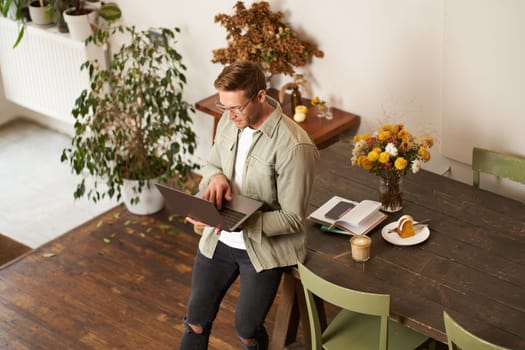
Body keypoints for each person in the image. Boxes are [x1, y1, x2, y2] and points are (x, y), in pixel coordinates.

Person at [180, 61, 319, 350]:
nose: (229, 116)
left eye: (236, 108)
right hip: (218, 239)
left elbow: (293, 217)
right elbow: (212, 163)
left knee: (246, 330)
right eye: (223, 108)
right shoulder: (231, 124)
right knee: (195, 320)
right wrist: (216, 177)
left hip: (261, 250)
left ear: (259, 96)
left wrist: (241, 221)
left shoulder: (294, 146)